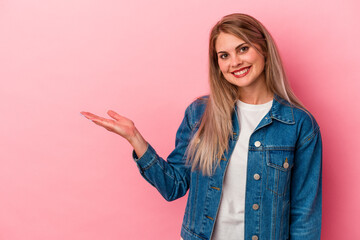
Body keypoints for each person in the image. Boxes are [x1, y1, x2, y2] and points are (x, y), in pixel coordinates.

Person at [80, 13, 322, 240]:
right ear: (217, 64)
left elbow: (304, 214)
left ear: (264, 50)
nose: (235, 62)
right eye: (224, 55)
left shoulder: (298, 124)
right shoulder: (200, 114)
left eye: (243, 49)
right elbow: (174, 186)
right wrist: (135, 139)